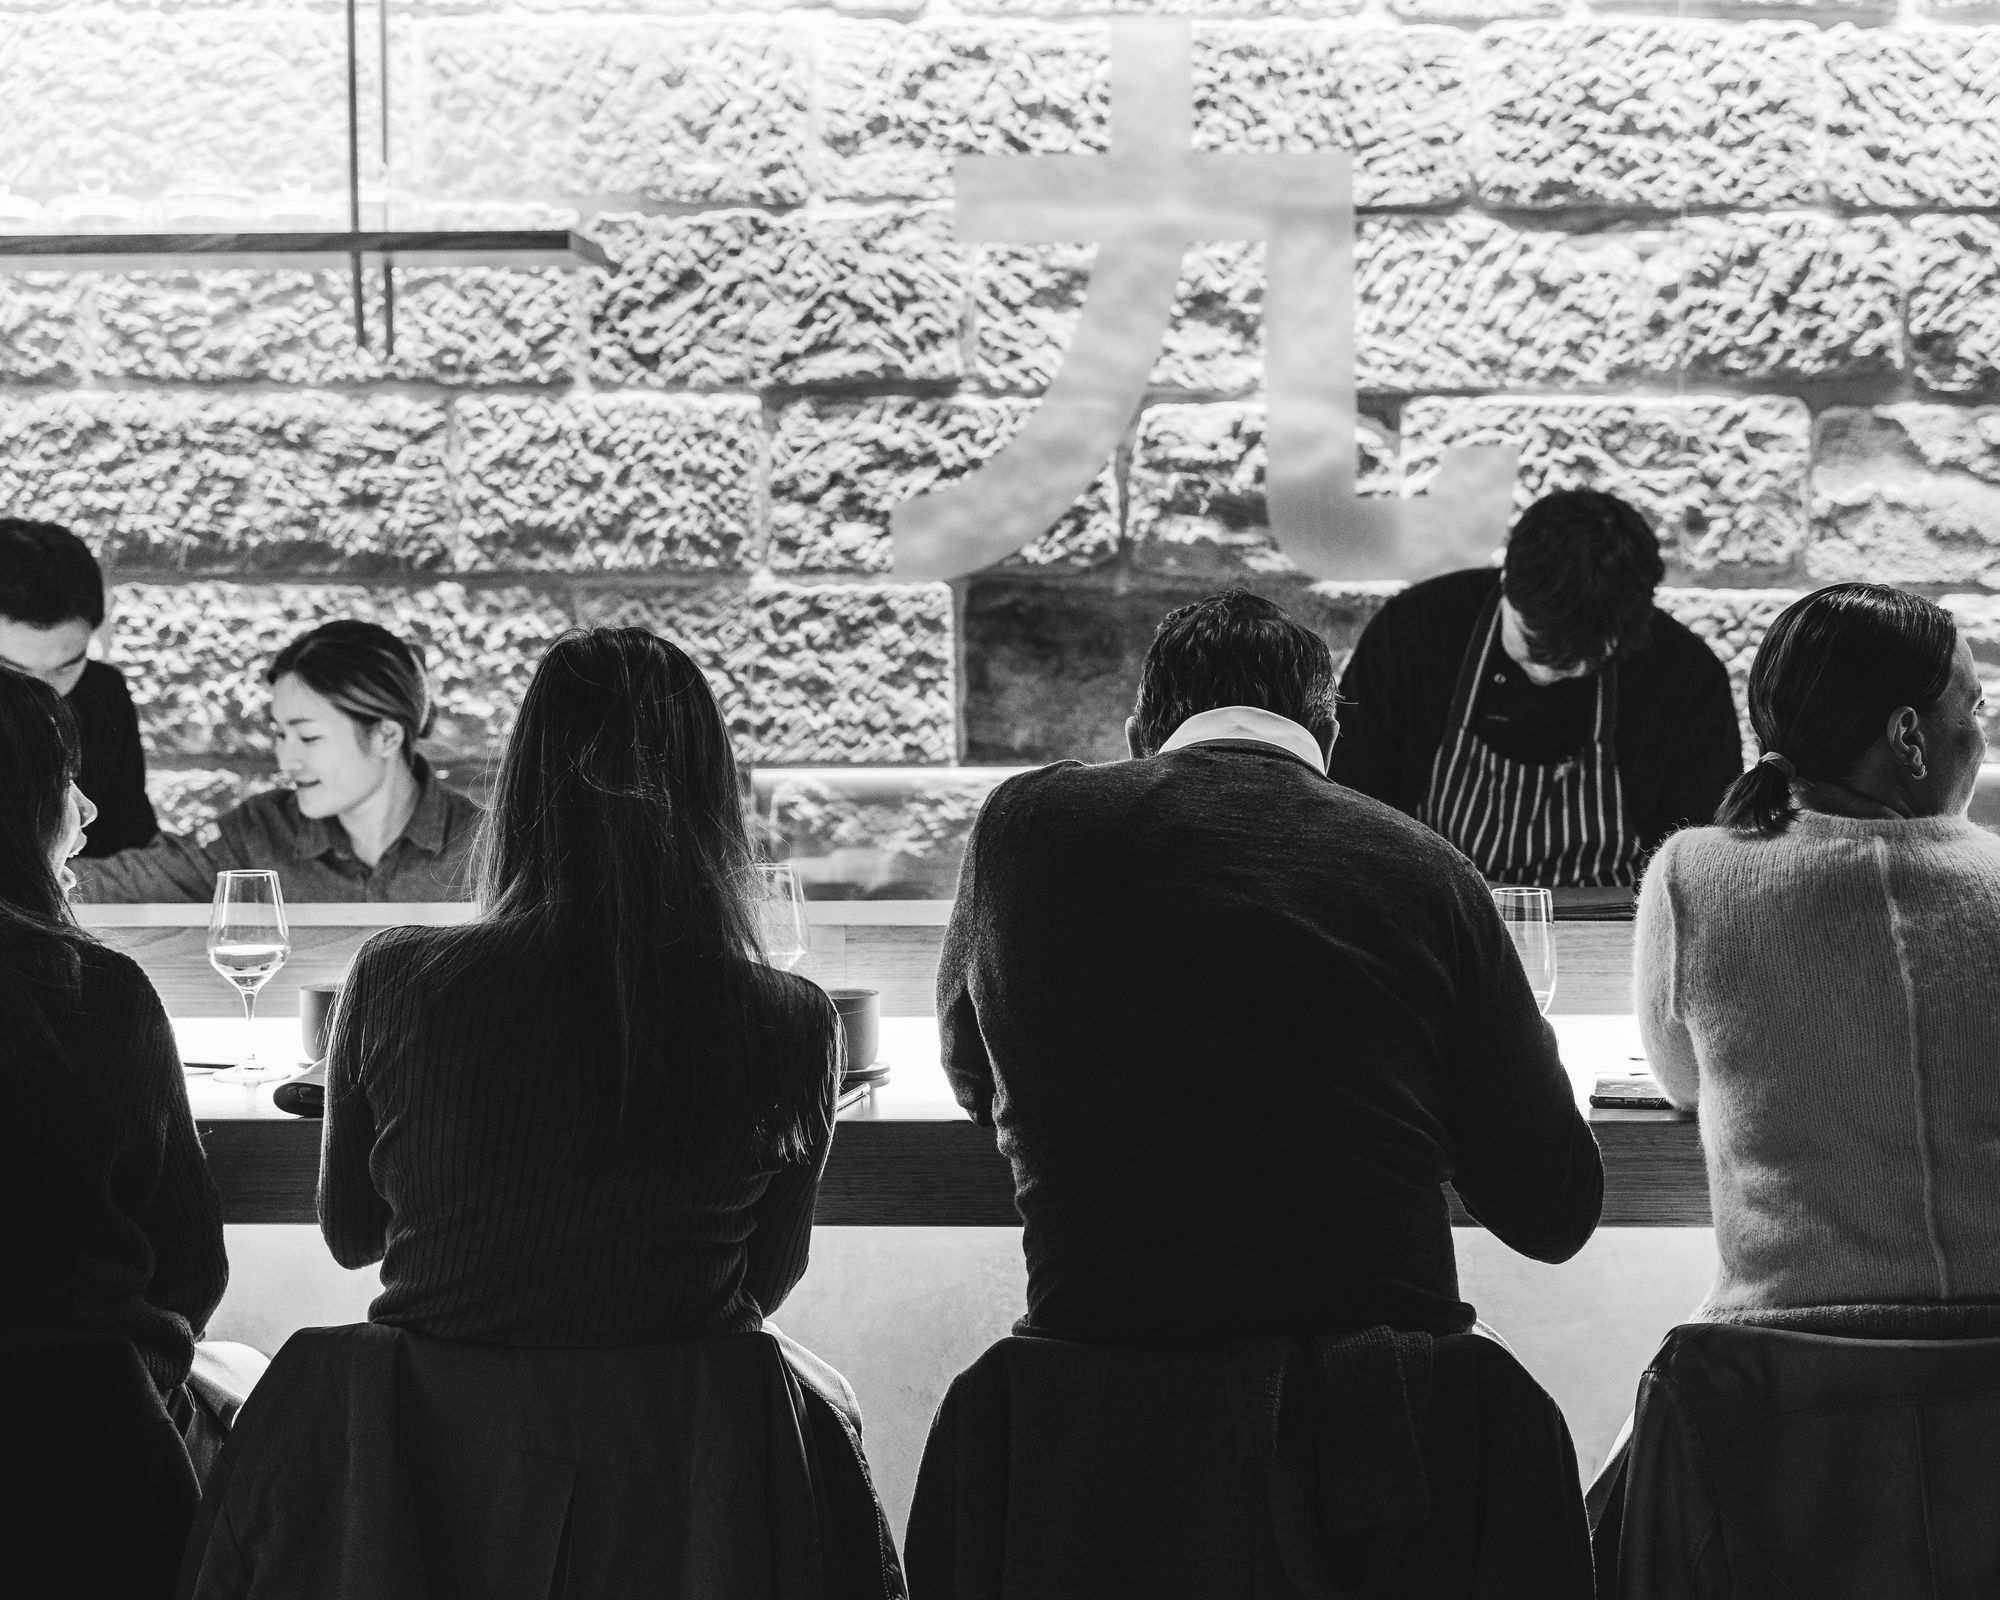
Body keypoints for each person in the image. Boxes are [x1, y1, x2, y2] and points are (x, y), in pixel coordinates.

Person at [939, 589, 1603, 1349]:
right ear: (1330, 737)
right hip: (1384, 1412)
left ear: (1136, 740)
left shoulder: (1022, 826)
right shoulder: (1431, 872)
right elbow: (1555, 1212)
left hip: (1095, 1420)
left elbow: (970, 1075)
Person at [319, 626, 841, 1344]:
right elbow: (760, 1286)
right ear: (712, 793)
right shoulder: (794, 1021)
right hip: (677, 1443)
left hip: (438, 1443)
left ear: (521, 784)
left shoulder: (393, 978)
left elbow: (352, 1238)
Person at [1636, 583, 2000, 1315]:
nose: (1982, 735)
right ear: (1908, 737)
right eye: (1976, 709)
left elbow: (1681, 1084)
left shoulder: (1690, 875)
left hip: (1786, 1380)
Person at [0, 665, 226, 1412]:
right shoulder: (94, 993)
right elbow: (193, 1271)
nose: (90, 809)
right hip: (89, 1437)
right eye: (64, 778)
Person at [1329, 489, 1741, 887]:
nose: (1545, 674)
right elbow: (1353, 813)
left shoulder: (1684, 676)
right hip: (1443, 918)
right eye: (1530, 642)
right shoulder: (1413, 633)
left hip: (1614, 931)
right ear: (1506, 580)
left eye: (1584, 661)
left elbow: (1700, 860)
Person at [74, 620, 480, 904]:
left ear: (387, 736)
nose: (287, 760)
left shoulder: (490, 851)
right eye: (281, 734)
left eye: (309, 737)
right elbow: (131, 880)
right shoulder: (260, 833)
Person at [0, 517, 157, 855]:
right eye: (12, 671)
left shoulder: (103, 693)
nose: (42, 694)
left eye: (65, 668)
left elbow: (130, 846)